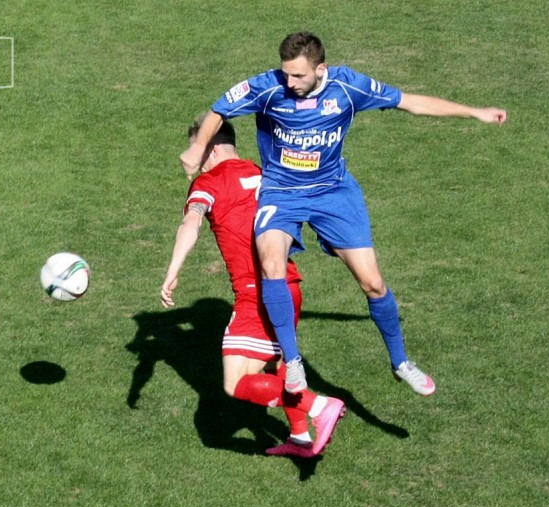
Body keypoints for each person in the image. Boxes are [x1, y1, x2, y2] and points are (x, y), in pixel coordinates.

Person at [181, 31, 507, 396]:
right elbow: (219, 110)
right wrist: (197, 148)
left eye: (298, 76)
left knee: (373, 283)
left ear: (321, 69)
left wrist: (474, 112)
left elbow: (410, 102)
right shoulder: (267, 87)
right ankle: (292, 361)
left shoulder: (349, 87)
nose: (290, 82)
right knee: (271, 262)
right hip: (282, 192)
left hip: (332, 193)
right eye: (286, 73)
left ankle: (400, 362)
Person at [161, 116, 345, 457]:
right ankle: (300, 437)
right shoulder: (265, 174)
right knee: (279, 362)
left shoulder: (208, 182)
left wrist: (173, 269)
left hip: (256, 294)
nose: (195, 159)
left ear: (212, 149)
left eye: (197, 149)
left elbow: (191, 223)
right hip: (289, 285)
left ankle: (319, 407)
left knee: (235, 383)